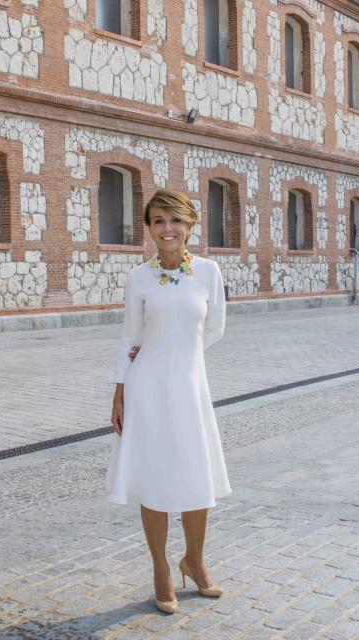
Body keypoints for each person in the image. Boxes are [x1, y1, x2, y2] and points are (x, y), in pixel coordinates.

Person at [106, 189, 231, 614]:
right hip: (148, 390)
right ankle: (161, 568)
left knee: (198, 477)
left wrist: (183, 355)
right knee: (155, 478)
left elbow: (214, 328)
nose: (167, 229)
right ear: (149, 227)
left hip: (190, 387)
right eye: (158, 221)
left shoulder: (209, 272)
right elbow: (130, 338)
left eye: (174, 221)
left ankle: (194, 561)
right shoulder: (139, 277)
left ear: (189, 226)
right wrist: (120, 392)